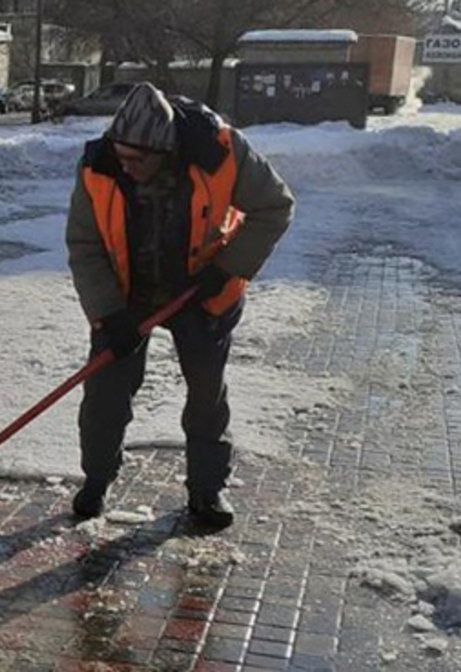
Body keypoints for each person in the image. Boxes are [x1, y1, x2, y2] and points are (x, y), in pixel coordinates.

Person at [65, 83, 294, 528]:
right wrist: (109, 314)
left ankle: (207, 491)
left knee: (207, 393)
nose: (126, 168)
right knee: (105, 393)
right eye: (122, 157)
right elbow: (84, 243)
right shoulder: (99, 165)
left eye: (137, 160)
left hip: (202, 289)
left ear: (164, 148)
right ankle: (96, 480)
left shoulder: (221, 151)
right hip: (127, 293)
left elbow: (274, 206)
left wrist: (227, 267)